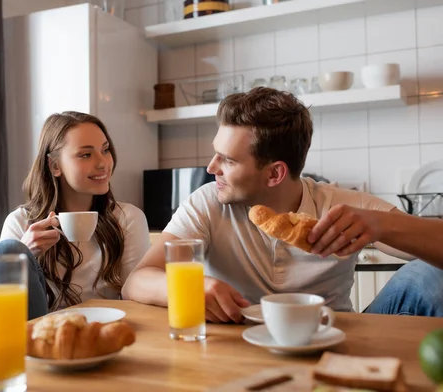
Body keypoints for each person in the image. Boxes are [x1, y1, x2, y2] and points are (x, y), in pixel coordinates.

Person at [122, 88, 443, 322]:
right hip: (237, 338)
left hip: (330, 334)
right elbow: (137, 281)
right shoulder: (208, 203)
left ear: (275, 173)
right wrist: (193, 288)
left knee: (431, 277)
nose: (211, 167)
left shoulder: (342, 205)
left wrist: (381, 224)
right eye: (215, 153)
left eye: (228, 160)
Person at [0, 111, 150, 319]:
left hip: (106, 329)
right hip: (43, 332)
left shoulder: (128, 218)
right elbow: (3, 304)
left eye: (105, 150)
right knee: (5, 252)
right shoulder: (20, 222)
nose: (103, 163)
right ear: (55, 166)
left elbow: (137, 296)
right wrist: (26, 253)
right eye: (86, 154)